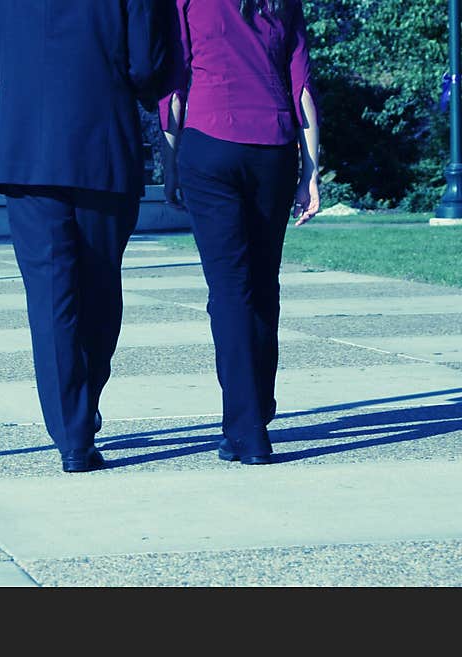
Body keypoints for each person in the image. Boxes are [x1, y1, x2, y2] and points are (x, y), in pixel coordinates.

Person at [0, 0, 169, 472]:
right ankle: (82, 406)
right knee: (100, 290)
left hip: (26, 145)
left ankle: (73, 434)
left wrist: (33, 80)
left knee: (51, 298)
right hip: (102, 144)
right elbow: (147, 64)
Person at [160, 0, 320, 465]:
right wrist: (311, 170)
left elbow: (175, 88)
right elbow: (302, 86)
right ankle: (258, 410)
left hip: (208, 141)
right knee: (263, 283)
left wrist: (170, 163)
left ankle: (246, 428)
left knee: (230, 290)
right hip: (272, 146)